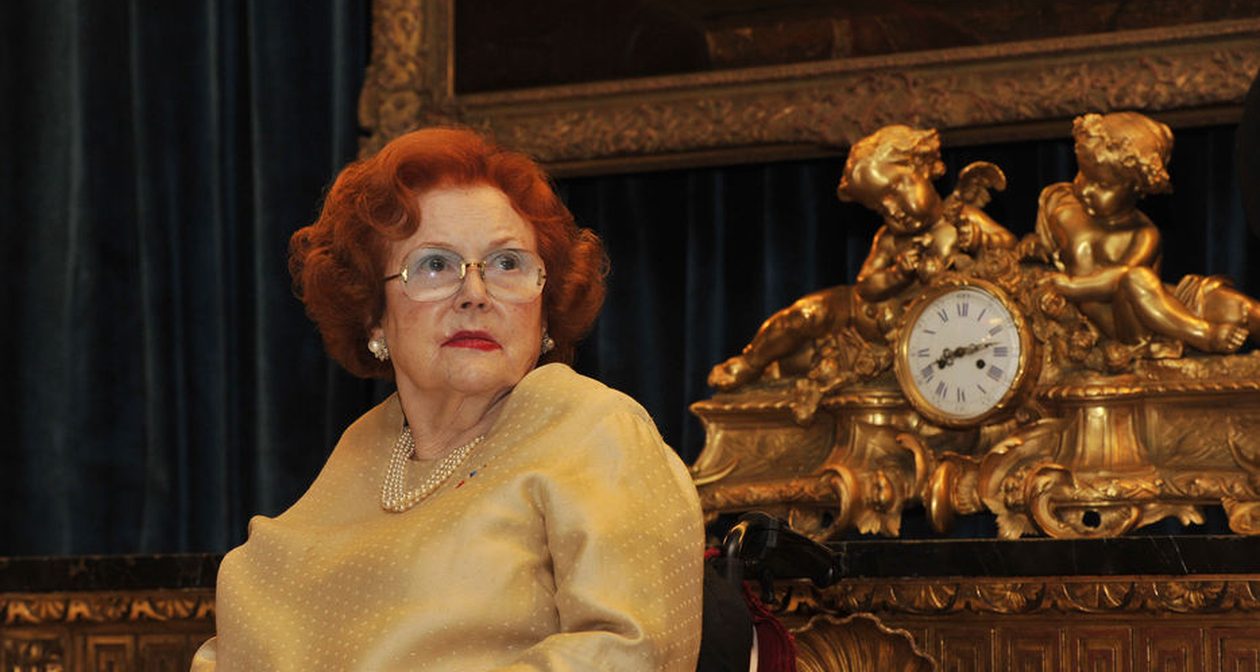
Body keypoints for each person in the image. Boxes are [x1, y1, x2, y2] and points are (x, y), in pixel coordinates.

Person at [192, 128, 705, 670]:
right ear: (372, 315)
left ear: (545, 309)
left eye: (507, 264)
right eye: (435, 264)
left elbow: (630, 650)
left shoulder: (593, 430)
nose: (475, 295)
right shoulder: (362, 452)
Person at [708, 125, 1015, 393]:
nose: (891, 210)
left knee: (802, 362)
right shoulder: (889, 239)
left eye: (895, 190)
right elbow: (865, 287)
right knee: (803, 316)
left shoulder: (962, 219)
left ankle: (777, 369)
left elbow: (1009, 248)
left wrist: (978, 239)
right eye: (879, 208)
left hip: (904, 342)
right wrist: (898, 274)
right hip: (855, 316)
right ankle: (751, 362)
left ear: (923, 168)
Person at [1025, 112, 1259, 354]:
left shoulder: (1142, 234)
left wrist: (1072, 286)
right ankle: (1206, 335)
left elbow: (1121, 282)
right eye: (1083, 175)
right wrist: (1033, 246)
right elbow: (1045, 246)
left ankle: (1202, 332)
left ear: (1137, 189)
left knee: (1238, 308)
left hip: (1142, 321)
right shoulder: (1059, 201)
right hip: (1114, 332)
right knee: (1139, 279)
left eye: (1102, 185)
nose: (1086, 190)